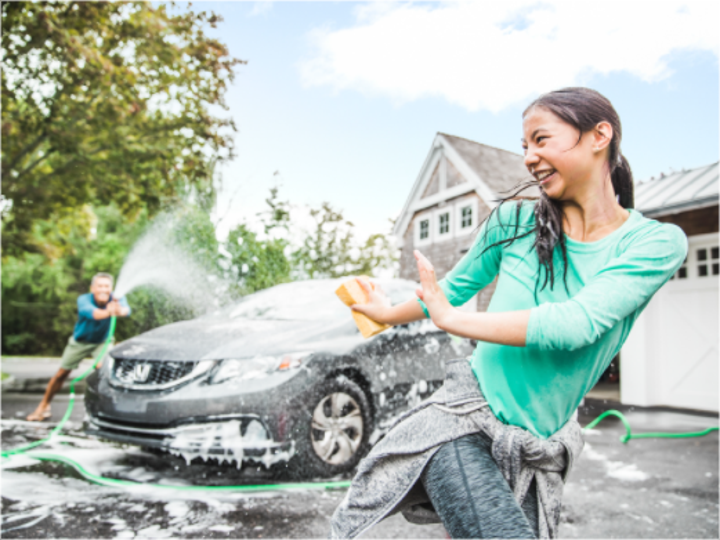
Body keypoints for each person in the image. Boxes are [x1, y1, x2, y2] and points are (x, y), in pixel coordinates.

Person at [329, 88, 687, 539]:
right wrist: (384, 313)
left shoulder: (653, 243)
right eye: (524, 147)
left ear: (600, 135)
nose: (529, 158)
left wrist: (450, 319)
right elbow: (449, 292)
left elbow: (576, 324)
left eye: (541, 139)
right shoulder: (513, 224)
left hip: (538, 449)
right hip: (462, 423)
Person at [26, 273, 131, 422]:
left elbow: (126, 311)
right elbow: (94, 314)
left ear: (111, 288)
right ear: (92, 288)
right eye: (99, 286)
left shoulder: (116, 298)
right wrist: (110, 311)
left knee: (104, 370)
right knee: (61, 374)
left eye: (106, 286)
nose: (103, 289)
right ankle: (43, 406)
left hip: (103, 342)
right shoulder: (84, 299)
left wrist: (119, 310)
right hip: (80, 342)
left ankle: (106, 411)